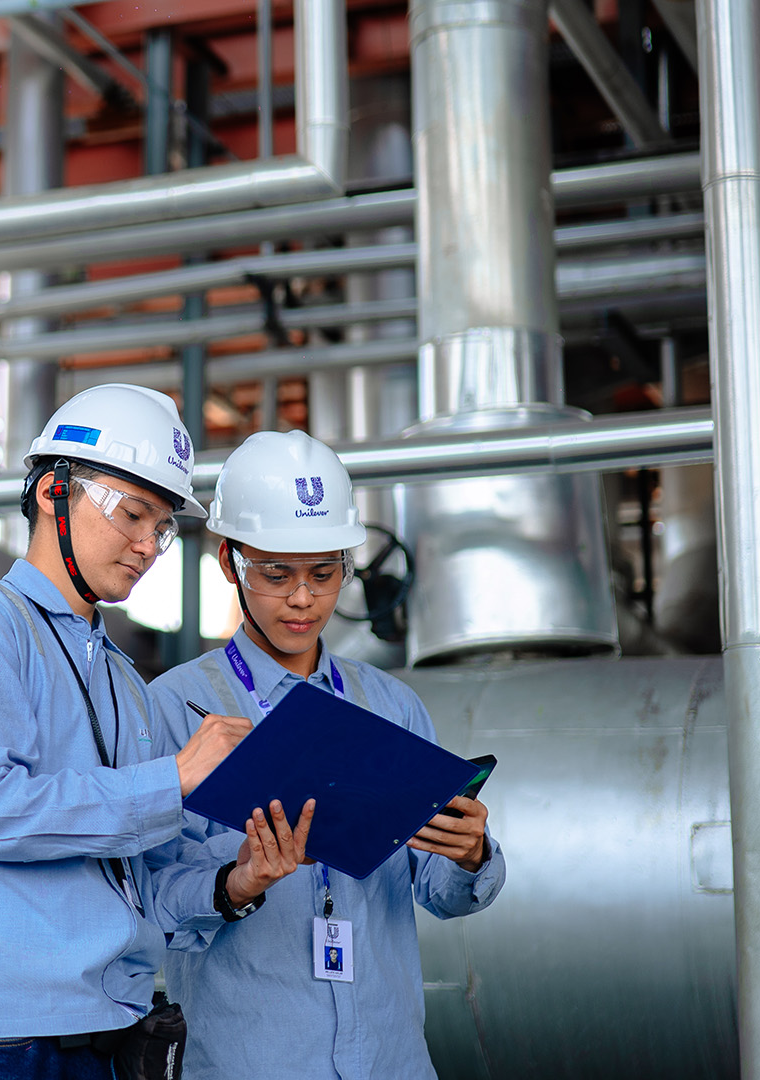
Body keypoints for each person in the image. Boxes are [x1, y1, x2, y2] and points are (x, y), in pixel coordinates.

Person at [0, 384, 312, 1080]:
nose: (149, 545)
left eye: (164, 526)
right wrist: (174, 779)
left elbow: (139, 881)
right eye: (134, 514)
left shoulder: (124, 683)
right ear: (55, 492)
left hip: (110, 1031)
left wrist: (232, 886)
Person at [145, 429, 506, 1080]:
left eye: (323, 572)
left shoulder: (391, 706)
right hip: (248, 1063)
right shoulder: (174, 708)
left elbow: (445, 896)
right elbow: (146, 904)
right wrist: (238, 883)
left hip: (390, 1063)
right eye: (276, 574)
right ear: (230, 562)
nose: (304, 598)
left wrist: (470, 851)